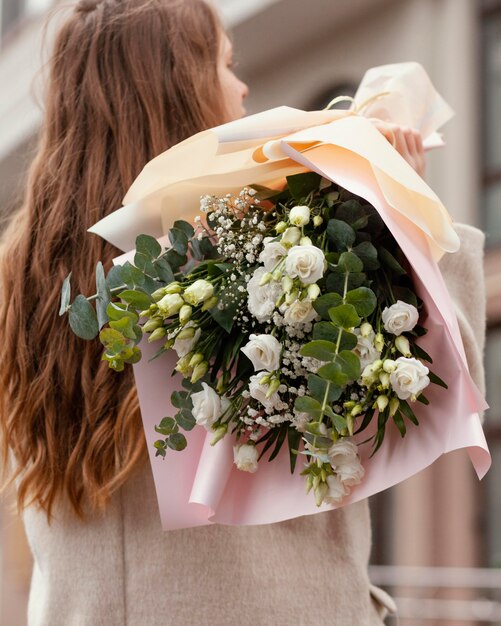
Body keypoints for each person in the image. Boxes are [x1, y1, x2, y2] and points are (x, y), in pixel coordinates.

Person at [0, 0, 485, 624]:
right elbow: (413, 399)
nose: (242, 85)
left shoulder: (29, 276)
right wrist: (403, 215)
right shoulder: (248, 251)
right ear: (183, 84)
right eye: (226, 64)